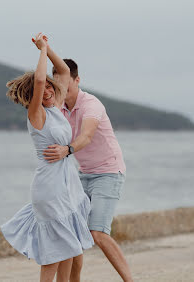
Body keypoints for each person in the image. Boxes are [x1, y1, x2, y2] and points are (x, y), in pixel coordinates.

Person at [0, 33, 94, 282]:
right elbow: (40, 80)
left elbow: (62, 70)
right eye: (42, 91)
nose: (47, 91)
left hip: (68, 186)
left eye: (51, 88)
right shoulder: (37, 115)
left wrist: (48, 47)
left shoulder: (55, 106)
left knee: (69, 252)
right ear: (33, 97)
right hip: (50, 189)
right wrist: (41, 51)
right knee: (53, 256)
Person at [44, 59, 133, 281]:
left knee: (98, 233)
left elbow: (86, 136)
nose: (60, 89)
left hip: (109, 172)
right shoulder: (60, 109)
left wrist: (67, 150)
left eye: (65, 83)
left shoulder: (91, 104)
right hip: (83, 174)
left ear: (77, 80)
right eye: (56, 84)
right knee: (70, 234)